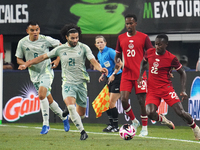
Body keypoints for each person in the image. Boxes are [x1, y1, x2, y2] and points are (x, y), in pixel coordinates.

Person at [18, 23, 108, 140]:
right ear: (66, 37)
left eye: (76, 38)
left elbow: (93, 60)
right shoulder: (60, 49)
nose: (75, 40)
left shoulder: (84, 47)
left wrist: (100, 68)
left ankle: (67, 113)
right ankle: (82, 132)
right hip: (67, 83)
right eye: (72, 38)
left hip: (81, 82)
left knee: (80, 114)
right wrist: (27, 63)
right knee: (70, 106)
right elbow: (42, 57)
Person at [138, 34, 200, 140]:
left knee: (180, 112)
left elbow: (182, 72)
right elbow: (143, 63)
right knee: (150, 113)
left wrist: (183, 90)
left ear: (166, 45)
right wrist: (140, 76)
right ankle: (163, 120)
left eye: (160, 45)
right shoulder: (149, 53)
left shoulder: (171, 58)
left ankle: (195, 128)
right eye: (156, 44)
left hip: (166, 88)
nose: (157, 47)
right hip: (152, 89)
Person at [15, 21, 70, 134]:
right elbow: (18, 59)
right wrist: (24, 64)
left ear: (39, 30)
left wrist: (57, 60)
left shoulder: (45, 39)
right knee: (49, 100)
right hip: (34, 74)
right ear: (27, 31)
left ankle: (46, 124)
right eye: (32, 30)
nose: (35, 32)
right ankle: (64, 118)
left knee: (41, 95)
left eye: (37, 30)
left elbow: (61, 47)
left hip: (46, 70)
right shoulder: (22, 42)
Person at [114, 14, 153, 136]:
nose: (128, 26)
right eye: (127, 23)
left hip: (139, 75)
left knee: (142, 101)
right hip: (126, 73)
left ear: (135, 23)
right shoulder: (121, 38)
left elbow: (151, 53)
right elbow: (117, 55)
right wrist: (117, 62)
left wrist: (145, 65)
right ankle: (134, 121)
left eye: (131, 23)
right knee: (123, 99)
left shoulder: (144, 37)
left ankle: (145, 128)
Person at [95, 35, 122, 132]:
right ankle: (111, 125)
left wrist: (113, 74)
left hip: (118, 77)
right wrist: (103, 75)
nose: (100, 44)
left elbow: (120, 64)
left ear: (105, 43)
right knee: (105, 102)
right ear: (95, 45)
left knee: (111, 103)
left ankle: (116, 126)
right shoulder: (99, 54)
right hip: (109, 79)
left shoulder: (110, 51)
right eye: (98, 42)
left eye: (101, 42)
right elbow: (105, 68)